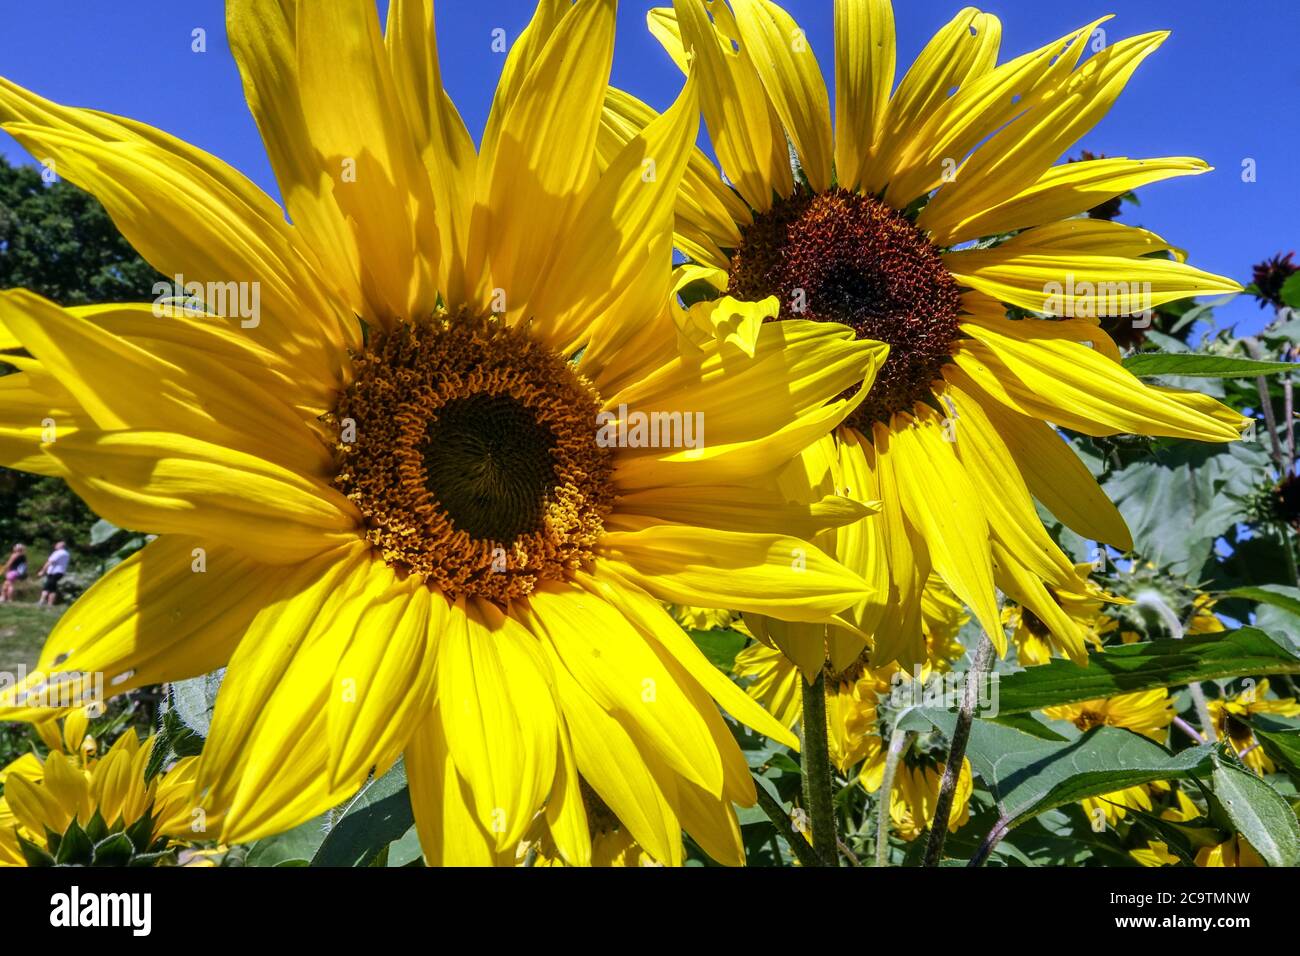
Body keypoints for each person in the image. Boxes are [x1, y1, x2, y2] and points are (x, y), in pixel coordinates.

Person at [38, 540, 69, 608]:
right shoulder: (66, 553)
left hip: (54, 572)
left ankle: (42, 602)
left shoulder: (58, 553)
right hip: (60, 572)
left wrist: (42, 571)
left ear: (61, 546)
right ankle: (49, 604)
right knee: (52, 588)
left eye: (57, 544)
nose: (56, 545)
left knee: (47, 587)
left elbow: (50, 562)